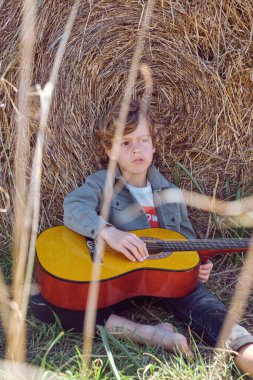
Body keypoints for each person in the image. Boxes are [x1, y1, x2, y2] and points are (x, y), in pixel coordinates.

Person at [31, 99, 253, 375]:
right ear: (109, 150)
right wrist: (108, 232)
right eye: (125, 143)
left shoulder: (172, 193)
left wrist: (198, 266)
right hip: (114, 282)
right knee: (46, 303)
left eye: (143, 140)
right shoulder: (102, 183)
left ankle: (245, 350)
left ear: (154, 145)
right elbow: (74, 207)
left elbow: (185, 243)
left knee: (210, 310)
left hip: (167, 282)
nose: (136, 148)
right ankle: (149, 334)